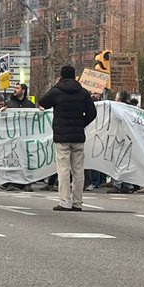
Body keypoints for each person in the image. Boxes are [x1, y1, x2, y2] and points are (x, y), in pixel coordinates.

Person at [37, 65, 97, 211]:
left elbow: (43, 102)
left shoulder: (57, 91)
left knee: (63, 169)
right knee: (78, 170)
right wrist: (81, 124)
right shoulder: (83, 93)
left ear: (61, 76)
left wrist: (56, 85)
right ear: (75, 76)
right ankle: (77, 202)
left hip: (62, 136)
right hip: (78, 136)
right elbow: (92, 113)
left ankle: (64, 201)